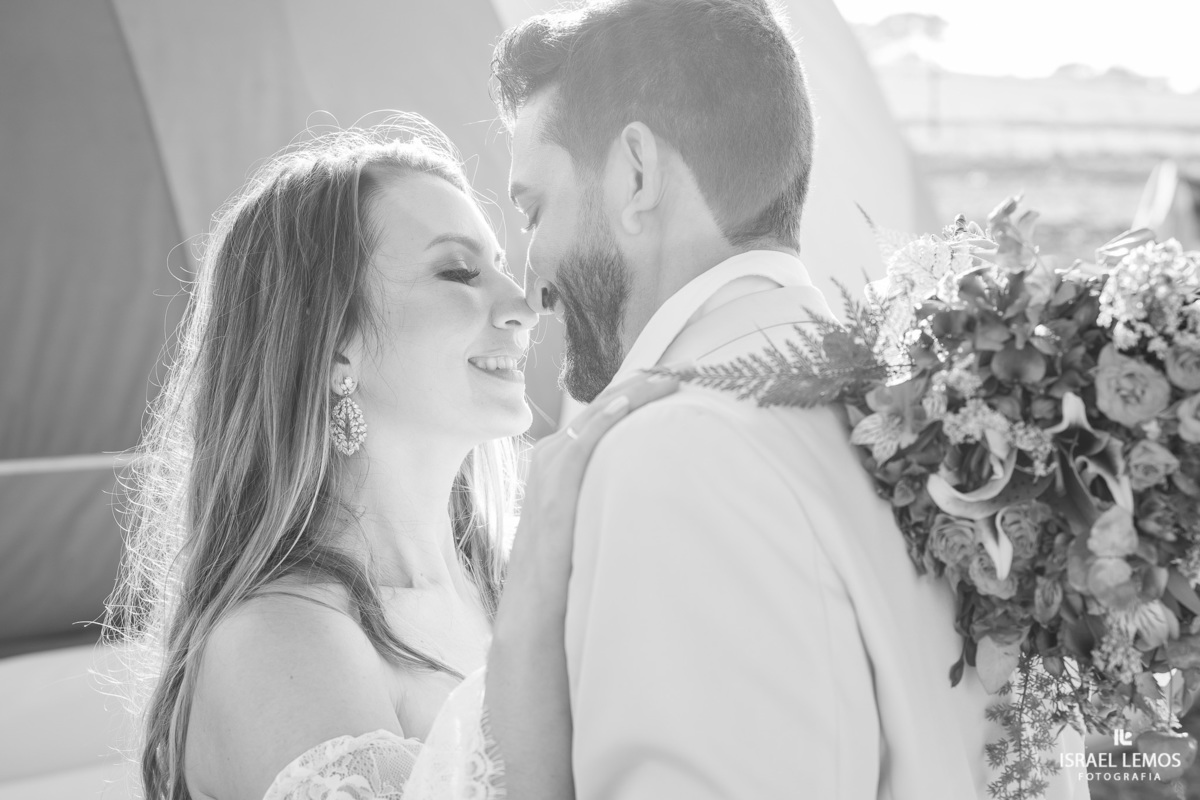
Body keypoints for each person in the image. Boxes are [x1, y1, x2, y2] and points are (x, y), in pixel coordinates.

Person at [485, 1, 1090, 798]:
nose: (529, 274)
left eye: (534, 209)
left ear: (636, 173)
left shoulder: (674, 454)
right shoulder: (942, 425)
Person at [103, 118, 676, 800]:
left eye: (499, 263)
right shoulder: (278, 640)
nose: (523, 304)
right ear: (336, 344)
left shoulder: (511, 587)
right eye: (459, 271)